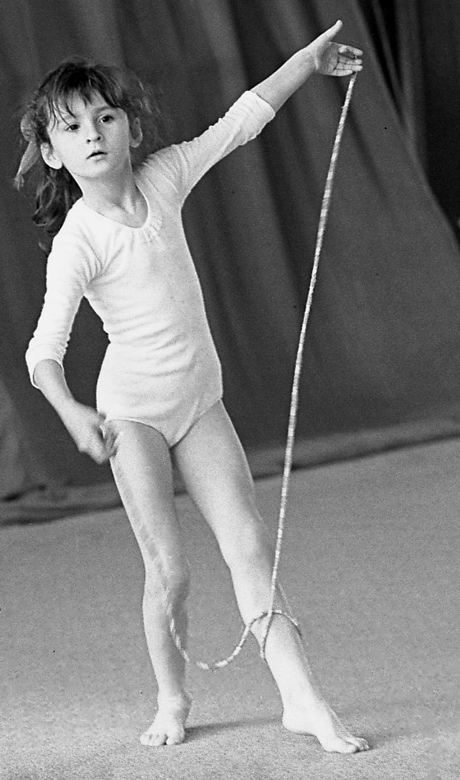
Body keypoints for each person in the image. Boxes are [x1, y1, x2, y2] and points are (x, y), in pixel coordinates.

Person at [18, 20, 368, 753]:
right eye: (72, 128)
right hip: (133, 415)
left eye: (105, 118)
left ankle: (302, 700)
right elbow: (43, 352)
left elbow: (242, 121)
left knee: (250, 546)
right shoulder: (79, 240)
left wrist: (307, 62)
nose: (93, 135)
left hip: (199, 402)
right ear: (52, 152)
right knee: (170, 571)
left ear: (130, 129)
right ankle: (172, 697)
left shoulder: (165, 176)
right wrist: (73, 413)